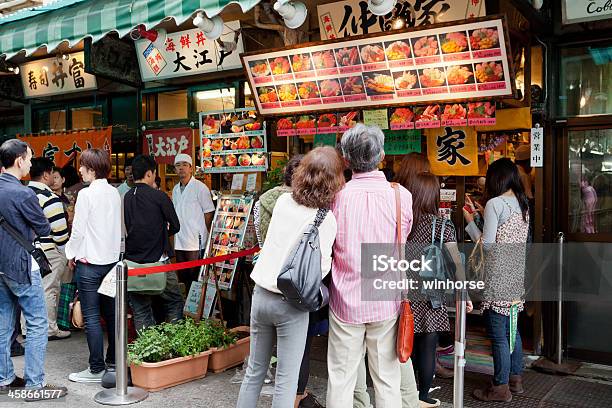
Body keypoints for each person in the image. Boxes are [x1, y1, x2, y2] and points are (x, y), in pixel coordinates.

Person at [237, 147, 344, 408]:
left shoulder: (283, 202)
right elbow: (319, 270)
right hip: (291, 303)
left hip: (261, 295)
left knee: (254, 372)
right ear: (333, 182)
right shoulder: (326, 219)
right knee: (286, 380)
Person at [326, 124, 415, 408]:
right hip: (385, 298)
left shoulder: (335, 197)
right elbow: (404, 235)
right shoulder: (401, 196)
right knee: (387, 379)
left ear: (346, 159)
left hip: (345, 298)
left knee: (341, 378)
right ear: (382, 155)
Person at [253, 155, 323, 408]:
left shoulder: (271, 202)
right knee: (289, 371)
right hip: (292, 294)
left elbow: (261, 236)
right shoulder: (314, 213)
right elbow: (318, 266)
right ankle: (297, 397)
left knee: (255, 371)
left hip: (262, 285)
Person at [0, 139, 68, 400]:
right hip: (21, 264)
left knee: (4, 322)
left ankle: (5, 378)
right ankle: (34, 385)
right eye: (28, 159)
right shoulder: (23, 192)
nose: (30, 163)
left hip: (2, 266)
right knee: (38, 322)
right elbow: (44, 228)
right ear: (19, 161)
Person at [463, 158, 530, 402]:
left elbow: (487, 246)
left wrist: (471, 222)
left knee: (498, 333)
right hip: (515, 275)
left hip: (497, 277)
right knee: (513, 328)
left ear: (496, 178)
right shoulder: (522, 204)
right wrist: (484, 214)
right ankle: (516, 379)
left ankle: (500, 387)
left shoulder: (494, 203)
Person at [404, 173, 473, 407]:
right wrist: (464, 294)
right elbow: (455, 263)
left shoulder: (403, 221)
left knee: (402, 342)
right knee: (428, 344)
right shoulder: (442, 225)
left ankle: (404, 393)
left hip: (401, 290)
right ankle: (423, 395)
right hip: (430, 294)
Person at [66, 148, 121, 383]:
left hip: (89, 264)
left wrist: (70, 253)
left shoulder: (87, 195)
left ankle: (96, 368)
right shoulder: (115, 193)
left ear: (93, 169)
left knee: (91, 317)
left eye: (83, 167)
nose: (80, 170)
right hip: (111, 263)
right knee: (111, 315)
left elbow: (77, 230)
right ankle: (113, 363)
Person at [124, 155, 183, 331]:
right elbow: (175, 225)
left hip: (134, 263)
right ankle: (174, 343)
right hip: (160, 261)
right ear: (150, 173)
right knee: (174, 301)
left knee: (141, 309)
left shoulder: (127, 197)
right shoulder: (159, 196)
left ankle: (148, 349)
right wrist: (162, 234)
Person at [27, 158, 71, 341]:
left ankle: (26, 328)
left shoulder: (22, 194)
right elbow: (60, 233)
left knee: (30, 289)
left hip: (26, 248)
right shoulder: (50, 198)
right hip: (48, 250)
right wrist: (66, 255)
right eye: (52, 172)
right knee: (49, 289)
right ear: (45, 174)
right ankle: (50, 328)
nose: (54, 176)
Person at [172, 153, 215, 294]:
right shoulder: (175, 189)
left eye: (185, 165)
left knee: (195, 278)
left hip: (195, 241)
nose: (181, 168)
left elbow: (208, 212)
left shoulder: (200, 188)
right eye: (178, 165)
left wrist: (202, 230)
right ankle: (186, 309)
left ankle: (196, 310)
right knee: (183, 277)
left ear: (191, 168)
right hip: (180, 240)